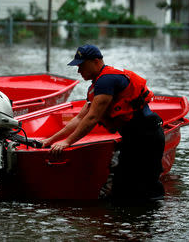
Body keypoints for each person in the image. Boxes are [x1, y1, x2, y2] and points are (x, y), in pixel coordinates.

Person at [41, 44, 165, 200]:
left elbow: (92, 118)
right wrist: (51, 140)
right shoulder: (98, 85)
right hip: (134, 137)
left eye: (81, 65)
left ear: (95, 61)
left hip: (147, 137)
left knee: (144, 191)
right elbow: (79, 119)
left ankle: (148, 221)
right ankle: (130, 221)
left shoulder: (106, 81)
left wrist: (67, 142)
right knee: (123, 189)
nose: (79, 71)